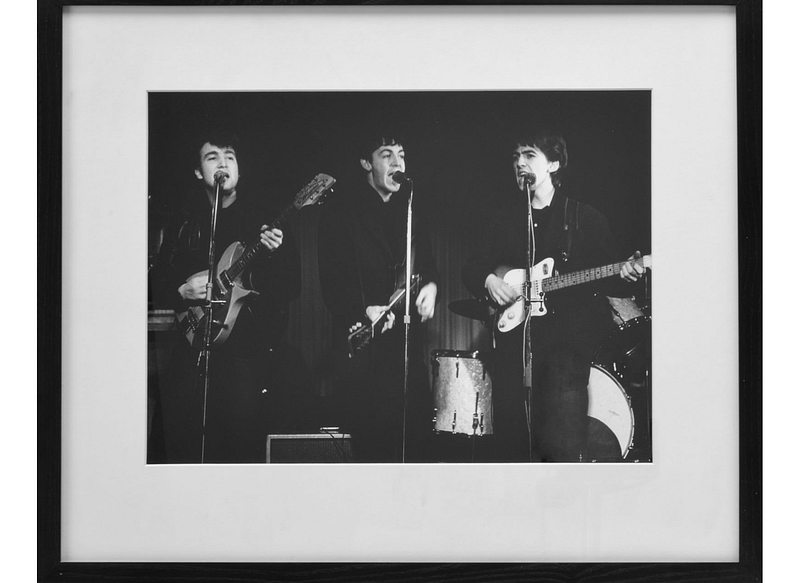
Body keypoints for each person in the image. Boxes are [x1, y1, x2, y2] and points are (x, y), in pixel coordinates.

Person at [462, 129, 645, 462]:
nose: (519, 163)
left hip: (566, 354)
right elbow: (471, 267)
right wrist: (489, 280)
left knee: (560, 447)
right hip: (513, 352)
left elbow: (611, 282)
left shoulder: (584, 219)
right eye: (516, 157)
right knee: (512, 446)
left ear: (554, 164)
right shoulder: (504, 220)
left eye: (529, 155)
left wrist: (628, 273)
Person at [149, 132, 301, 463]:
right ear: (198, 173)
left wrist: (276, 254)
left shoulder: (264, 222)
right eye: (212, 156)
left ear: (239, 171)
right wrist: (181, 290)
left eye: (230, 156)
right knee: (178, 438)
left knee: (237, 444)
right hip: (191, 344)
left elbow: (292, 288)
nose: (223, 162)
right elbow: (155, 281)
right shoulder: (184, 220)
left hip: (245, 352)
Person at [317, 133, 440, 463]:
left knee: (415, 442)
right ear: (366, 163)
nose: (398, 162)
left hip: (405, 347)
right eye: (387, 155)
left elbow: (427, 266)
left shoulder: (412, 209)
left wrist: (431, 288)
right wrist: (360, 309)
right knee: (372, 447)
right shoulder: (340, 212)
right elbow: (330, 279)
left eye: (401, 154)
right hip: (362, 347)